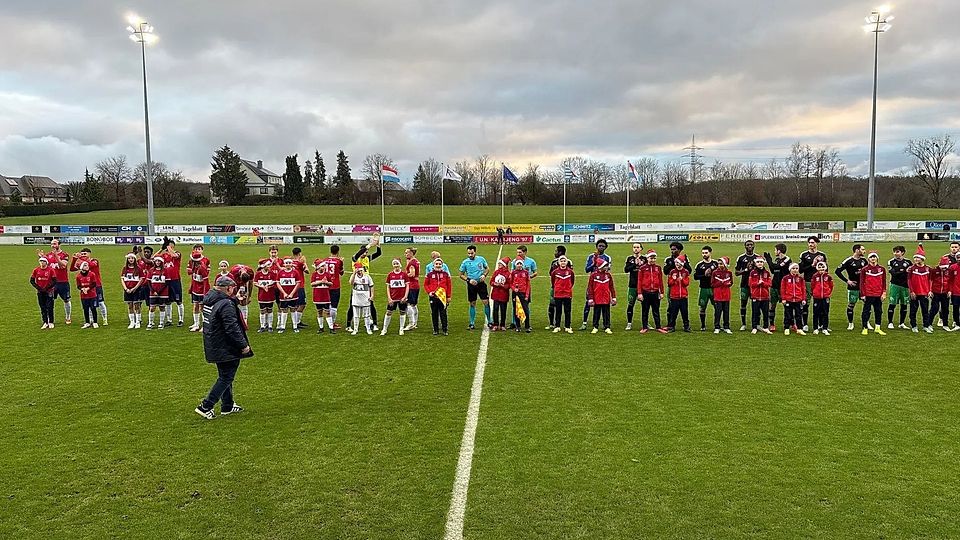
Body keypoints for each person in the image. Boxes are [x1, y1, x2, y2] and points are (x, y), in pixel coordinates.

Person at [195, 275, 252, 420]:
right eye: (233, 288)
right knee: (226, 377)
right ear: (228, 288)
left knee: (225, 375)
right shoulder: (225, 303)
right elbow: (231, 327)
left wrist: (234, 300)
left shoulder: (211, 298)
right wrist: (243, 345)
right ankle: (206, 405)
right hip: (225, 345)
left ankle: (227, 405)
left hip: (214, 342)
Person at [350, 237, 382, 331]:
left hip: (366, 283)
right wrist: (369, 245)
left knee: (370, 304)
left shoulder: (367, 258)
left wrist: (378, 245)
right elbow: (359, 253)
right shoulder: (355, 258)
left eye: (366, 252)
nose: (365, 254)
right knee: (353, 305)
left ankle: (374, 323)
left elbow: (378, 253)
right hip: (356, 282)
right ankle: (349, 325)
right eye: (364, 252)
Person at [38, 239, 72, 324]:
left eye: (54, 244)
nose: (52, 245)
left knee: (66, 300)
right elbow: (44, 266)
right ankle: (49, 319)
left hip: (63, 282)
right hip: (51, 283)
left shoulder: (65, 255)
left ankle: (68, 317)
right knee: (49, 300)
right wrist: (41, 257)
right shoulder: (48, 255)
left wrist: (56, 255)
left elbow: (63, 265)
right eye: (51, 244)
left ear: (59, 244)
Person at [835, 244, 868, 331]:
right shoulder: (848, 261)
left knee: (867, 304)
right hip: (853, 287)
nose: (864, 251)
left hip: (864, 287)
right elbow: (837, 271)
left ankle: (866, 322)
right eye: (863, 249)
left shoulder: (864, 260)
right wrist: (847, 281)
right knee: (851, 305)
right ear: (857, 250)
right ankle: (850, 323)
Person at [71, 248, 107, 325]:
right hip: (85, 286)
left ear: (89, 254)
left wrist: (80, 259)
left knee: (100, 302)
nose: (83, 255)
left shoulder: (94, 260)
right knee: (88, 303)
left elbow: (90, 265)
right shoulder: (81, 263)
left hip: (96, 285)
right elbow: (72, 268)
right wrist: (74, 259)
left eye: (85, 254)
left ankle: (105, 318)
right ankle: (91, 320)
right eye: (82, 254)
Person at [459, 245, 491, 330]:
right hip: (471, 285)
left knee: (486, 302)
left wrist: (484, 275)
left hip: (481, 284)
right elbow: (461, 275)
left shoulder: (481, 259)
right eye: (468, 253)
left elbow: (487, 269)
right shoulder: (465, 262)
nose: (470, 255)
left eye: (471, 253)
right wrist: (468, 280)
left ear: (475, 252)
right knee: (472, 303)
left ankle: (490, 321)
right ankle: (472, 323)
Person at [798, 236, 827, 331]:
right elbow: (801, 270)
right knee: (806, 303)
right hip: (808, 281)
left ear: (816, 243)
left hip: (820, 283)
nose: (811, 244)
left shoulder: (822, 255)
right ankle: (805, 324)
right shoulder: (804, 255)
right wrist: (812, 265)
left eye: (813, 243)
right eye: (809, 243)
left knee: (820, 303)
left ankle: (821, 324)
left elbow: (826, 269)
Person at [580, 239, 610, 330]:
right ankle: (584, 322)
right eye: (599, 246)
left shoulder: (607, 258)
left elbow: (608, 270)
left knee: (603, 303)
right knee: (588, 302)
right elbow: (587, 269)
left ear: (605, 247)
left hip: (602, 283)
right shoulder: (591, 256)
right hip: (592, 282)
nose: (601, 247)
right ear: (596, 246)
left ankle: (604, 324)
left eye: (603, 246)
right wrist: (594, 263)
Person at [638, 250, 667, 334]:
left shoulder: (658, 268)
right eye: (651, 258)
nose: (653, 260)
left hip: (655, 292)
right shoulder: (642, 268)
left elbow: (661, 280)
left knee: (656, 310)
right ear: (647, 258)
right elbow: (639, 281)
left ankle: (658, 326)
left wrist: (661, 292)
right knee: (645, 310)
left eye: (654, 258)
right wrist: (639, 293)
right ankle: (644, 327)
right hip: (645, 292)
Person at [859, 252, 888, 335]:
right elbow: (861, 283)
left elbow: (884, 281)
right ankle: (865, 328)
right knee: (866, 311)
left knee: (878, 311)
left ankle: (877, 328)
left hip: (878, 294)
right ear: (868, 259)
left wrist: (884, 292)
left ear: (877, 258)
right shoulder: (864, 269)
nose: (873, 259)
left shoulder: (882, 269)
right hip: (868, 293)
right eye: (871, 257)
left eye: (874, 257)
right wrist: (862, 294)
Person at [764, 244, 791, 332]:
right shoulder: (777, 259)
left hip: (783, 286)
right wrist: (770, 262)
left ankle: (791, 323)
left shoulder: (787, 259)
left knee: (787, 306)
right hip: (774, 285)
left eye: (775, 250)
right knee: (772, 305)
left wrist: (769, 260)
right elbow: (773, 270)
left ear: (779, 251)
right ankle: (771, 324)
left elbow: (777, 267)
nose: (774, 252)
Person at [907, 245, 933, 333]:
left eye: (918, 258)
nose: (916, 260)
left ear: (922, 259)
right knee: (913, 311)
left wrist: (929, 290)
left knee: (925, 310)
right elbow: (909, 281)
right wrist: (912, 291)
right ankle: (914, 326)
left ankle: (926, 326)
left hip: (924, 293)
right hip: (915, 293)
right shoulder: (911, 269)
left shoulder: (928, 268)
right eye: (915, 258)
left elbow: (930, 280)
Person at [160, 238, 185, 327]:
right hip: (166, 280)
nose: (168, 246)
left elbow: (174, 256)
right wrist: (161, 249)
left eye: (170, 245)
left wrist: (168, 246)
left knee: (178, 301)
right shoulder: (163, 255)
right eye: (168, 244)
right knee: (167, 301)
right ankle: (169, 320)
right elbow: (153, 258)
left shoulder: (177, 253)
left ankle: (181, 319)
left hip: (175, 280)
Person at [587, 259, 616, 334]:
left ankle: (607, 326)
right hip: (597, 298)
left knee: (606, 313)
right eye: (605, 266)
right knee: (596, 313)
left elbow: (611, 287)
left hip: (606, 298)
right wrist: (590, 298)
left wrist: (613, 297)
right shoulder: (593, 275)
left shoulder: (608, 275)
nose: (606, 267)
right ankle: (595, 326)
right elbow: (590, 288)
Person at [424, 258, 453, 335]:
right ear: (433, 265)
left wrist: (448, 296)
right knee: (434, 313)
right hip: (433, 297)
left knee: (443, 313)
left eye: (440, 264)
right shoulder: (429, 275)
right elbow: (426, 285)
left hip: (442, 297)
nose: (438, 265)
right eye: (436, 264)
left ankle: (445, 329)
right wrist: (429, 292)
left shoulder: (445, 275)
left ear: (442, 265)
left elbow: (449, 285)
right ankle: (435, 329)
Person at [381, 258, 410, 336]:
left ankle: (401, 329)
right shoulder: (390, 275)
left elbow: (407, 286)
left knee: (402, 312)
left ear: (400, 264)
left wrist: (405, 296)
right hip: (393, 298)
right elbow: (388, 287)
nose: (396, 265)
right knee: (388, 312)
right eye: (394, 264)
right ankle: (384, 329)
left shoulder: (404, 274)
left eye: (397, 264)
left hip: (402, 298)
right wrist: (389, 298)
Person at [693, 246, 719, 331]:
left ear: (710, 253)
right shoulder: (699, 265)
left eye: (706, 253)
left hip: (714, 289)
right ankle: (703, 326)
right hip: (703, 289)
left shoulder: (716, 263)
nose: (704, 254)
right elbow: (695, 277)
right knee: (702, 307)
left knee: (717, 307)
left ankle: (717, 325)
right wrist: (704, 275)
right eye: (703, 253)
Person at [887, 246, 912, 330]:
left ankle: (902, 323)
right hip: (895, 285)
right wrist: (904, 271)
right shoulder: (891, 262)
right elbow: (893, 273)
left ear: (902, 252)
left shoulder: (908, 262)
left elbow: (911, 273)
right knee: (892, 304)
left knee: (904, 305)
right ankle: (890, 322)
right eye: (894, 252)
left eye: (897, 251)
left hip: (905, 286)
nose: (895, 253)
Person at [734, 240, 757, 331]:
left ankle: (755, 324)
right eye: (748, 245)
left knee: (755, 305)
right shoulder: (741, 258)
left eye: (751, 244)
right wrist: (746, 270)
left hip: (755, 285)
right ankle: (743, 324)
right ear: (745, 246)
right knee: (743, 304)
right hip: (744, 285)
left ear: (754, 246)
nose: (750, 246)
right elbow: (736, 272)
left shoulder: (757, 258)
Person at [276, 258, 303, 334]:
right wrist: (284, 293)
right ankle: (282, 326)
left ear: (291, 264)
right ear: (284, 264)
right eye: (286, 263)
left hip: (293, 295)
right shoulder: (280, 272)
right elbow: (278, 283)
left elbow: (298, 283)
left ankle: (295, 326)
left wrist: (292, 293)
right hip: (283, 296)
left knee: (293, 309)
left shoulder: (295, 272)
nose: (288, 264)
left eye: (289, 263)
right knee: (284, 310)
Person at [665, 255, 691, 333]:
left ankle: (686, 326)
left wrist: (682, 279)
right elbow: (669, 283)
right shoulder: (672, 272)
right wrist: (674, 279)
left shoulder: (685, 272)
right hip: (674, 296)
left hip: (683, 296)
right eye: (676, 263)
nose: (677, 264)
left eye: (678, 263)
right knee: (674, 312)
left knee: (684, 312)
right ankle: (672, 326)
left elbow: (686, 283)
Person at [513, 245, 537, 329]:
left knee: (526, 306)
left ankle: (527, 324)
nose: (518, 254)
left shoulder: (531, 261)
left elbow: (535, 272)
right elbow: (512, 274)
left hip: (526, 287)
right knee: (516, 306)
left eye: (520, 252)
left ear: (525, 252)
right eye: (517, 252)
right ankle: (516, 324)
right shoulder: (514, 261)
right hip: (516, 289)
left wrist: (528, 278)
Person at [550, 255, 575, 334]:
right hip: (558, 294)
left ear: (566, 262)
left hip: (567, 294)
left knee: (567, 311)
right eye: (561, 261)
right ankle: (557, 326)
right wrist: (557, 288)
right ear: (559, 262)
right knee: (558, 310)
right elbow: (553, 281)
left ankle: (568, 326)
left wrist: (568, 288)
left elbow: (572, 281)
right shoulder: (555, 272)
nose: (563, 262)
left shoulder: (570, 272)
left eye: (564, 261)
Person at [187, 249, 210, 332]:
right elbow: (192, 277)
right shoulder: (194, 267)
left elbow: (205, 281)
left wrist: (205, 293)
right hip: (195, 290)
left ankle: (205, 325)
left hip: (201, 291)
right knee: (195, 306)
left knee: (202, 307)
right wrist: (191, 288)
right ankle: (196, 324)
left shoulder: (202, 268)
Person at [624, 243, 646, 331]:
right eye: (634, 247)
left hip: (643, 286)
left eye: (638, 247)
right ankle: (629, 323)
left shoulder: (644, 259)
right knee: (630, 304)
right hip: (632, 285)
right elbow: (626, 270)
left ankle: (645, 323)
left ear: (641, 249)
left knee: (645, 305)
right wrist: (634, 264)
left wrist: (641, 264)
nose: (636, 249)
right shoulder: (630, 259)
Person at [31, 256, 57, 329]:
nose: (42, 263)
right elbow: (32, 280)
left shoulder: (50, 270)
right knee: (42, 307)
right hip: (40, 291)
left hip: (49, 291)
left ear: (46, 262)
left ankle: (51, 322)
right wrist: (38, 288)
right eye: (41, 261)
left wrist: (47, 288)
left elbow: (54, 281)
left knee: (50, 307)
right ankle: (45, 322)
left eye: (43, 261)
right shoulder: (36, 270)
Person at [120, 253, 145, 329]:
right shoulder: (125, 268)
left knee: (137, 306)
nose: (131, 260)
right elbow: (122, 279)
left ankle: (138, 322)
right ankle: (132, 322)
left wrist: (135, 288)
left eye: (132, 258)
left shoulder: (138, 268)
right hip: (127, 289)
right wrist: (126, 288)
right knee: (130, 306)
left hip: (136, 290)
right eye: (129, 258)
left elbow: (141, 279)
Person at [748, 257, 773, 334]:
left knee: (765, 313)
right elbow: (750, 283)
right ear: (755, 263)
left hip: (765, 296)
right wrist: (757, 283)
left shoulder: (767, 273)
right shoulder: (752, 273)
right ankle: (754, 327)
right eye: (758, 262)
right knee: (755, 312)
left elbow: (769, 283)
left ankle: (766, 327)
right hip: (755, 296)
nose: (760, 263)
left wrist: (763, 283)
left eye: (761, 262)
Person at [310, 258, 335, 334]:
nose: (323, 268)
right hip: (317, 296)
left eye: (324, 266)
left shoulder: (327, 274)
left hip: (325, 296)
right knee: (319, 311)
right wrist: (321, 282)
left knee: (327, 312)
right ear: (318, 267)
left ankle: (331, 328)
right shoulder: (314, 274)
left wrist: (326, 282)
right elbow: (312, 284)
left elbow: (331, 283)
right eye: (322, 266)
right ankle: (321, 327)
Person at [349, 262, 375, 335]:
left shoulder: (367, 277)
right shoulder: (354, 276)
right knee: (356, 315)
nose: (359, 272)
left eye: (360, 270)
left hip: (365, 299)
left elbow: (371, 286)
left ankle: (368, 329)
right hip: (356, 299)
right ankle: (355, 329)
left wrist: (372, 295)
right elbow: (350, 283)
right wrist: (354, 274)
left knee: (366, 315)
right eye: (358, 271)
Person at [780, 263, 806, 335]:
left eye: (796, 268)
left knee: (798, 315)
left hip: (798, 299)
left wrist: (803, 299)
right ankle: (786, 328)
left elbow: (803, 289)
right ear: (790, 269)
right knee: (788, 315)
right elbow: (783, 289)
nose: (795, 270)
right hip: (789, 299)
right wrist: (783, 298)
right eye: (793, 268)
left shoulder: (800, 278)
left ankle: (799, 328)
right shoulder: (785, 278)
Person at [546, 245, 568, 330]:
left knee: (556, 305)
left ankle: (557, 324)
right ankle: (554, 324)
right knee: (554, 305)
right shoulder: (556, 262)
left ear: (560, 252)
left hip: (561, 288)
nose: (554, 253)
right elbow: (551, 274)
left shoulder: (566, 262)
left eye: (556, 251)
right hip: (557, 287)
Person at [710, 256, 733, 334]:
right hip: (718, 295)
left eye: (722, 264)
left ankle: (726, 327)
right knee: (718, 312)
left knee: (726, 312)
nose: (720, 265)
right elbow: (712, 284)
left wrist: (727, 283)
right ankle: (717, 327)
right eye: (719, 264)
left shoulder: (729, 273)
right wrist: (721, 282)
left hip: (726, 295)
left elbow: (731, 283)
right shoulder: (715, 273)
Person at [146, 256, 170, 329]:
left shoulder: (165, 270)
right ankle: (150, 323)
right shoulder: (151, 270)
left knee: (162, 307)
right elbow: (149, 282)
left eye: (159, 261)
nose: (158, 263)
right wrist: (153, 291)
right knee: (152, 307)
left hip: (163, 293)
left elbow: (167, 282)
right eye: (156, 261)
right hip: (153, 293)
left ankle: (161, 323)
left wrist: (159, 291)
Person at [324, 245, 345, 329]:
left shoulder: (325, 260)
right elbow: (341, 273)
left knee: (327, 304)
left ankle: (328, 321)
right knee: (334, 305)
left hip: (326, 285)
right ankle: (332, 323)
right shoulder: (339, 261)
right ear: (338, 251)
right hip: (335, 285)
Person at [253, 261, 277, 333]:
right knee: (262, 311)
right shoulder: (258, 274)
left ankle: (270, 326)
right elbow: (255, 283)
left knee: (270, 310)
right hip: (262, 296)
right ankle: (262, 326)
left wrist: (269, 286)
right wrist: (262, 287)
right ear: (263, 266)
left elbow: (275, 282)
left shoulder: (272, 274)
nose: (269, 266)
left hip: (270, 295)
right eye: (268, 265)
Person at [811, 261, 834, 335]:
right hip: (817, 297)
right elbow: (812, 286)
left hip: (825, 297)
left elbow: (831, 286)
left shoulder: (828, 277)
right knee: (816, 313)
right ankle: (815, 328)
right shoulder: (815, 276)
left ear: (825, 269)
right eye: (820, 269)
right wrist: (815, 293)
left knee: (825, 313)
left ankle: (825, 328)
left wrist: (828, 293)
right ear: (817, 269)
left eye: (822, 269)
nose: (821, 271)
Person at [510, 259, 532, 333]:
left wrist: (527, 295)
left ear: (522, 265)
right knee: (516, 310)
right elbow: (510, 283)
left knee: (526, 310)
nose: (519, 265)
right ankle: (518, 326)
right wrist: (513, 288)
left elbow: (528, 285)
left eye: (520, 264)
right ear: (515, 265)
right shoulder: (513, 273)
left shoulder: (526, 273)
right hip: (515, 294)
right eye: (518, 264)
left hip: (524, 293)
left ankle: (527, 326)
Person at [76, 261, 100, 328]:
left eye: (87, 265)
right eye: (85, 265)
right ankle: (87, 322)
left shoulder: (92, 274)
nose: (87, 266)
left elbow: (94, 284)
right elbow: (78, 286)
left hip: (92, 295)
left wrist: (87, 288)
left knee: (93, 308)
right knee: (85, 309)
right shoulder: (78, 276)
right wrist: (82, 289)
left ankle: (95, 322)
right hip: (84, 296)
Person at [490, 258, 512, 331]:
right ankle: (495, 324)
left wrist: (503, 286)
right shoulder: (496, 272)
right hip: (496, 294)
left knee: (503, 310)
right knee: (495, 309)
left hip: (504, 294)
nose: (499, 265)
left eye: (500, 264)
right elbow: (491, 282)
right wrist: (495, 284)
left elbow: (509, 285)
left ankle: (502, 324)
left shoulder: (508, 274)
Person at [930, 256, 952, 330]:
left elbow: (950, 282)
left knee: (945, 309)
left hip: (945, 293)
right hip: (935, 293)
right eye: (943, 267)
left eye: (945, 267)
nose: (944, 269)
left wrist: (949, 290)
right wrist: (930, 290)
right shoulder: (934, 270)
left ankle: (945, 325)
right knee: (934, 308)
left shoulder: (949, 271)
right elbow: (930, 280)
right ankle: (929, 324)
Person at [291, 247, 310, 328]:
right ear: (299, 254)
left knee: (295, 304)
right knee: (302, 304)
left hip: (292, 286)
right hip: (300, 285)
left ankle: (296, 321)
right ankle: (297, 322)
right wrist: (304, 262)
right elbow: (307, 271)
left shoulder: (290, 262)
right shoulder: (300, 263)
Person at [403, 247, 421, 331]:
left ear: (411, 253)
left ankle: (411, 323)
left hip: (411, 286)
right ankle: (415, 323)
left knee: (409, 304)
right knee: (414, 304)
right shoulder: (416, 261)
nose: (405, 254)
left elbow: (412, 274)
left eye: (406, 253)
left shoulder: (412, 263)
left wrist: (404, 276)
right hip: (416, 285)